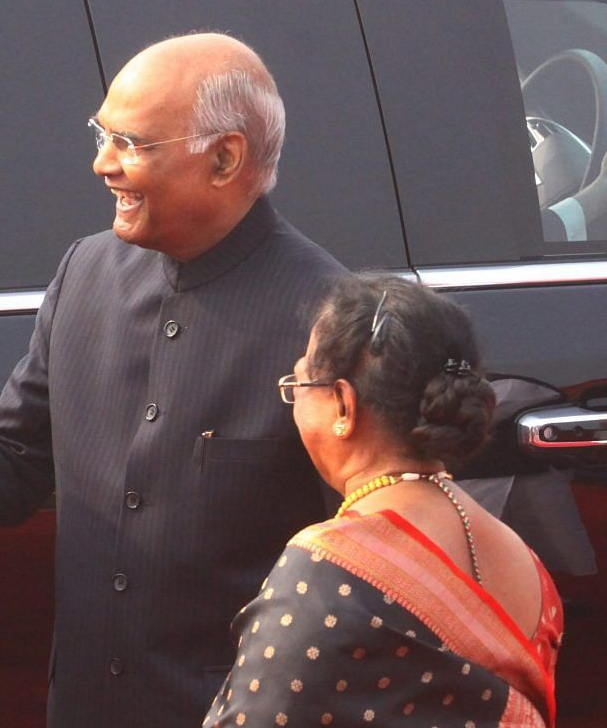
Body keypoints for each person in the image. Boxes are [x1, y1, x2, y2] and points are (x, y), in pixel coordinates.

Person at [0, 33, 346, 727]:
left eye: (131, 143)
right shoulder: (85, 274)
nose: (102, 164)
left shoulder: (329, 320)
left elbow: (363, 551)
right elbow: (16, 455)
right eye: (101, 134)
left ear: (224, 158)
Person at [205, 275, 562, 727]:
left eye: (298, 383)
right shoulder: (523, 560)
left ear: (342, 406)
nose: (293, 401)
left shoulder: (323, 573)